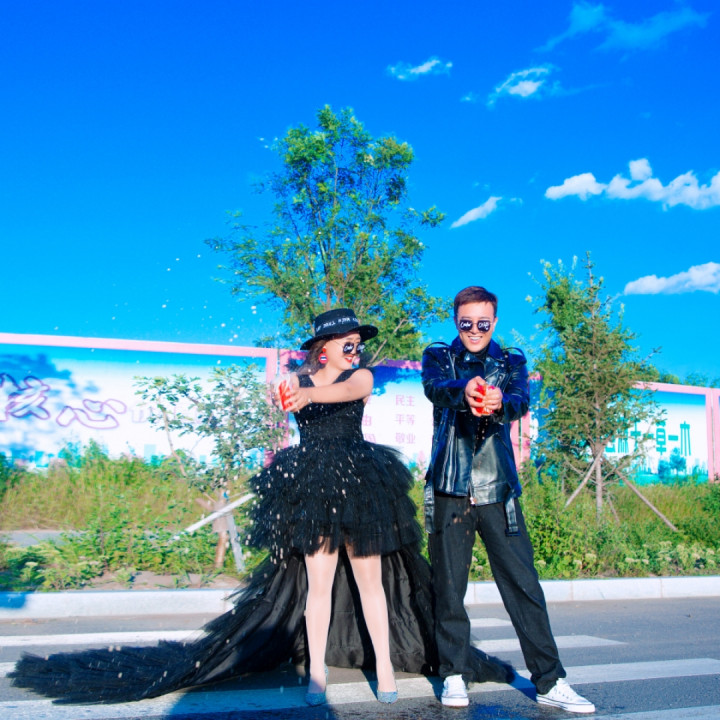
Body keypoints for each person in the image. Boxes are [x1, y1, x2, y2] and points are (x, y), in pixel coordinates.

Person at [11, 308, 510, 706]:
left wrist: (308, 391)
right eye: (347, 342)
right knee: (317, 585)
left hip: (360, 482)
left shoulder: (359, 378)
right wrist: (293, 390)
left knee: (370, 583)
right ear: (323, 346)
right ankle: (316, 673)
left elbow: (342, 390)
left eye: (357, 341)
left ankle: (383, 667)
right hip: (312, 486)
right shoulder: (297, 378)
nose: (355, 348)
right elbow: (289, 395)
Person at [422, 286, 596, 714]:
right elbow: (434, 388)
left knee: (523, 586)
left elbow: (520, 401)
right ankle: (454, 673)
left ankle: (550, 680)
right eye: (466, 323)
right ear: (456, 322)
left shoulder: (511, 361)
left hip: (498, 489)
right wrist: (464, 390)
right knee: (448, 588)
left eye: (483, 323)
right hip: (449, 487)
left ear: (494, 322)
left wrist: (500, 402)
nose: (474, 331)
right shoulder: (439, 355)